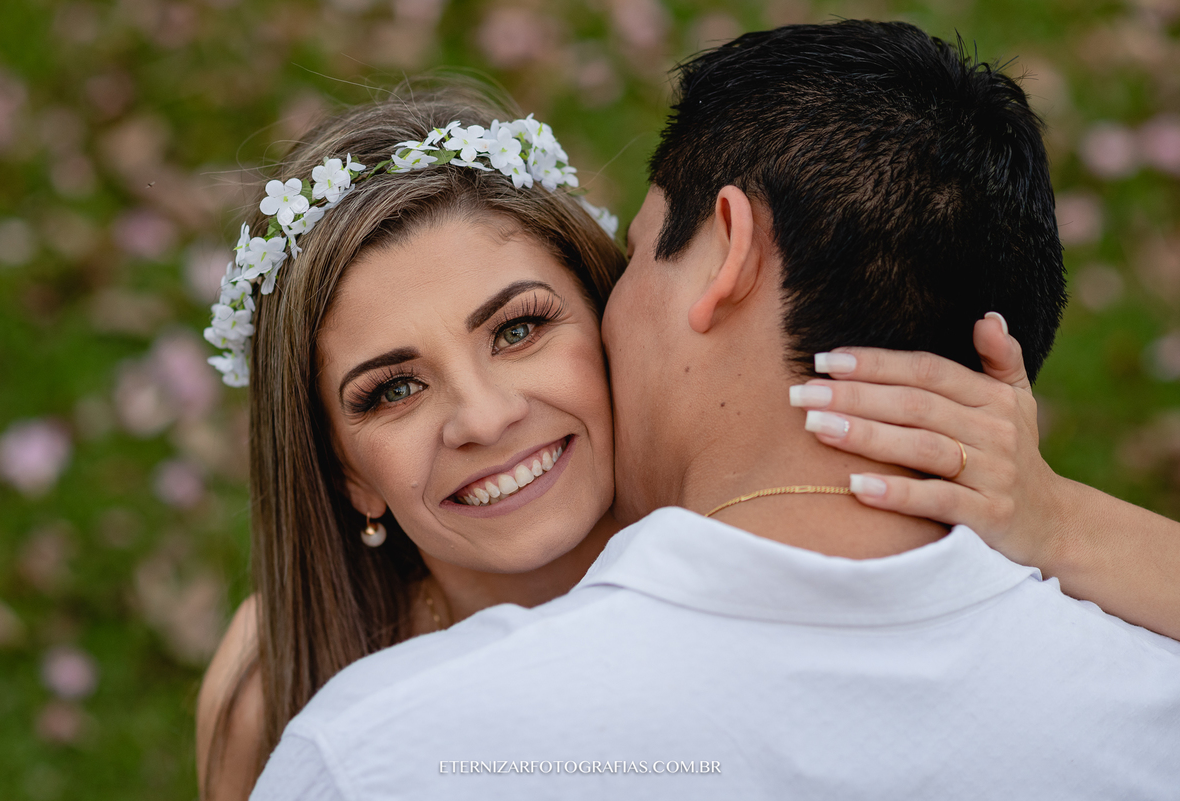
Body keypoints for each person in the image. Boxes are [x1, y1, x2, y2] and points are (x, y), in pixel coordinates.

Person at [247, 21, 1180, 800]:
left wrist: (1062, 522)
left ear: (727, 251)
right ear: (342, 469)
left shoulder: (379, 754)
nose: (485, 417)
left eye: (524, 327)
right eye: (392, 388)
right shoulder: (1145, 700)